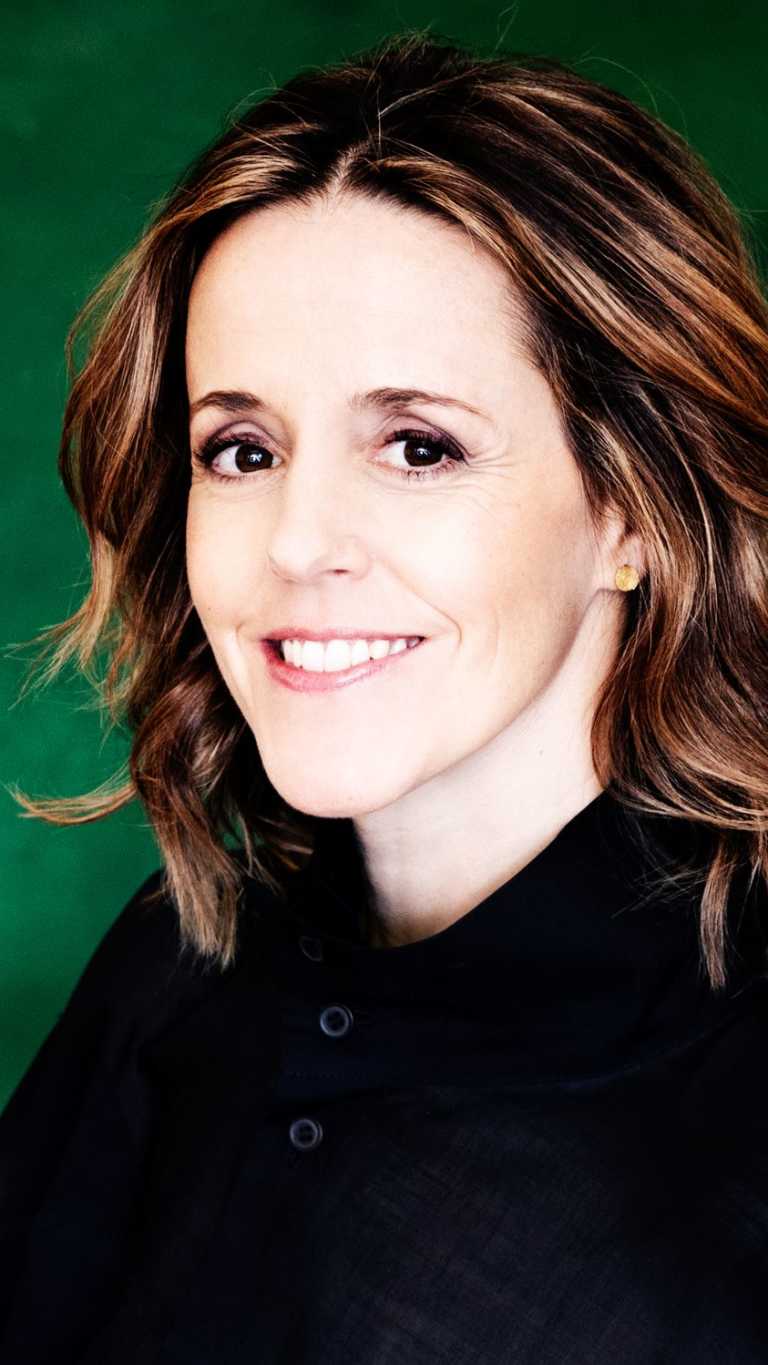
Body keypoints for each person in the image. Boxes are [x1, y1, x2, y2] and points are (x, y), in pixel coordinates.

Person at [2, 26, 768, 1364]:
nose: (298, 543)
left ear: (635, 513)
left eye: (418, 446)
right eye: (242, 450)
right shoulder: (181, 967)